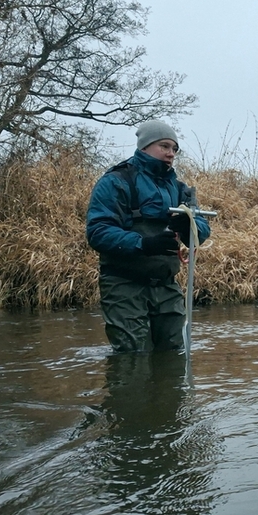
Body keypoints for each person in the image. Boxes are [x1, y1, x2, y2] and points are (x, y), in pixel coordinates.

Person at [86, 120, 211, 352]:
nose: (171, 154)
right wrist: (144, 243)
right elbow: (98, 232)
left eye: (174, 149)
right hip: (124, 284)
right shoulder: (116, 181)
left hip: (166, 286)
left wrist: (189, 226)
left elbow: (201, 232)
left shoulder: (180, 189)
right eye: (164, 146)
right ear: (144, 147)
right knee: (132, 356)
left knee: (173, 353)